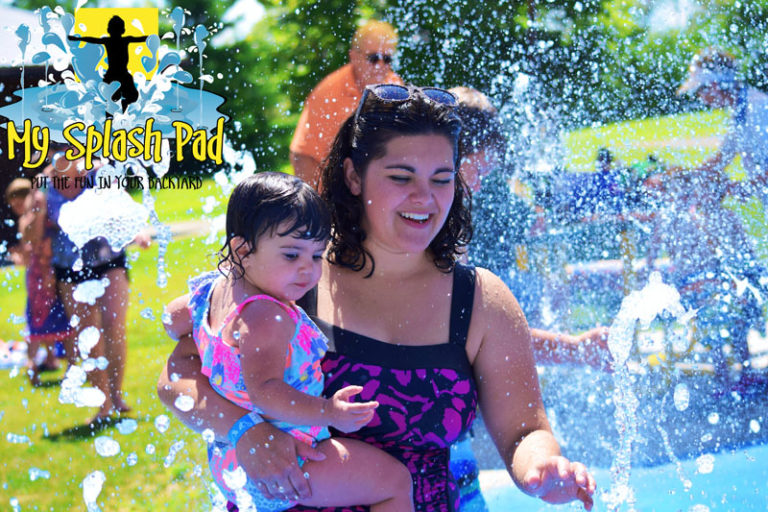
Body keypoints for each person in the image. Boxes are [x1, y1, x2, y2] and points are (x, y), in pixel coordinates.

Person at [159, 84, 596, 511]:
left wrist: (543, 466)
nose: (424, 197)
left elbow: (524, 430)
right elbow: (174, 378)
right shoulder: (293, 272)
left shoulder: (479, 299)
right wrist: (244, 432)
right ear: (353, 175)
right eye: (401, 177)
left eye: (441, 179)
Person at [162, 172, 414, 511]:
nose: (307, 271)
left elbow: (172, 318)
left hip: (231, 458)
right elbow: (265, 391)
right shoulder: (267, 317)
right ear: (242, 249)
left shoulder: (211, 292)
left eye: (315, 255)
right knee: (394, 482)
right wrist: (329, 412)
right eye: (291, 255)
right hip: (292, 456)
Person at [450, 86, 610, 511]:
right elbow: (478, 333)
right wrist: (575, 349)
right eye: (476, 172)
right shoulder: (437, 235)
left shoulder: (443, 225)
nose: (478, 185)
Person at [39, 146, 150, 422]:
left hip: (108, 258)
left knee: (114, 326)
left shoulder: (98, 172)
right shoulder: (44, 186)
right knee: (88, 336)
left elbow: (121, 202)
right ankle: (104, 403)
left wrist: (138, 230)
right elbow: (32, 229)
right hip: (70, 267)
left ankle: (117, 393)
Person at [642, 164, 766, 392]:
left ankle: (742, 373)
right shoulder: (669, 218)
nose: (684, 194)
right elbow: (652, 257)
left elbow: (735, 255)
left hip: (713, 282)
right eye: (678, 189)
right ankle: (726, 376)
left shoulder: (706, 217)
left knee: (732, 305)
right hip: (689, 284)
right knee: (714, 309)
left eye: (687, 190)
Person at [289, 20, 403, 189]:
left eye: (387, 59)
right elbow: (302, 156)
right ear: (354, 57)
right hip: (332, 190)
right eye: (373, 58)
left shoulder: (396, 86)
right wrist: (322, 207)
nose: (380, 66)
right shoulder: (328, 93)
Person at [677, 48, 768, 215]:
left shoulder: (758, 109)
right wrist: (682, 178)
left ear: (714, 85)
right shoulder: (740, 112)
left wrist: (750, 186)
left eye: (698, 91)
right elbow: (723, 158)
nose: (700, 98)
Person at [6, 178, 72, 386]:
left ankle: (65, 364)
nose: (18, 207)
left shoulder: (42, 216)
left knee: (61, 320)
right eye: (13, 204)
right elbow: (30, 243)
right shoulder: (28, 219)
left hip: (54, 273)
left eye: (21, 201)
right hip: (39, 278)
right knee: (39, 320)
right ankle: (33, 364)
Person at [68, 15, 148, 111]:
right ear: (123, 30)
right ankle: (119, 104)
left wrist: (78, 39)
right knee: (130, 97)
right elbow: (141, 38)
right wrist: (155, 37)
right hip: (120, 74)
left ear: (109, 30)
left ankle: (117, 104)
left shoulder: (108, 41)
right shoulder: (124, 40)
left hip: (113, 75)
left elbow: (92, 39)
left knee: (115, 98)